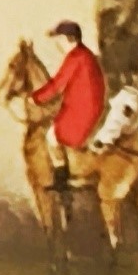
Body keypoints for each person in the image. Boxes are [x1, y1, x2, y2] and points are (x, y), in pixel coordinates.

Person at [30, 20, 108, 187]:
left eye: (60, 39)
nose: (58, 44)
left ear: (69, 39)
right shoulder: (85, 54)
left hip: (83, 110)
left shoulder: (75, 57)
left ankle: (61, 180)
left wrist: (36, 98)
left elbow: (57, 85)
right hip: (88, 105)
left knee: (51, 136)